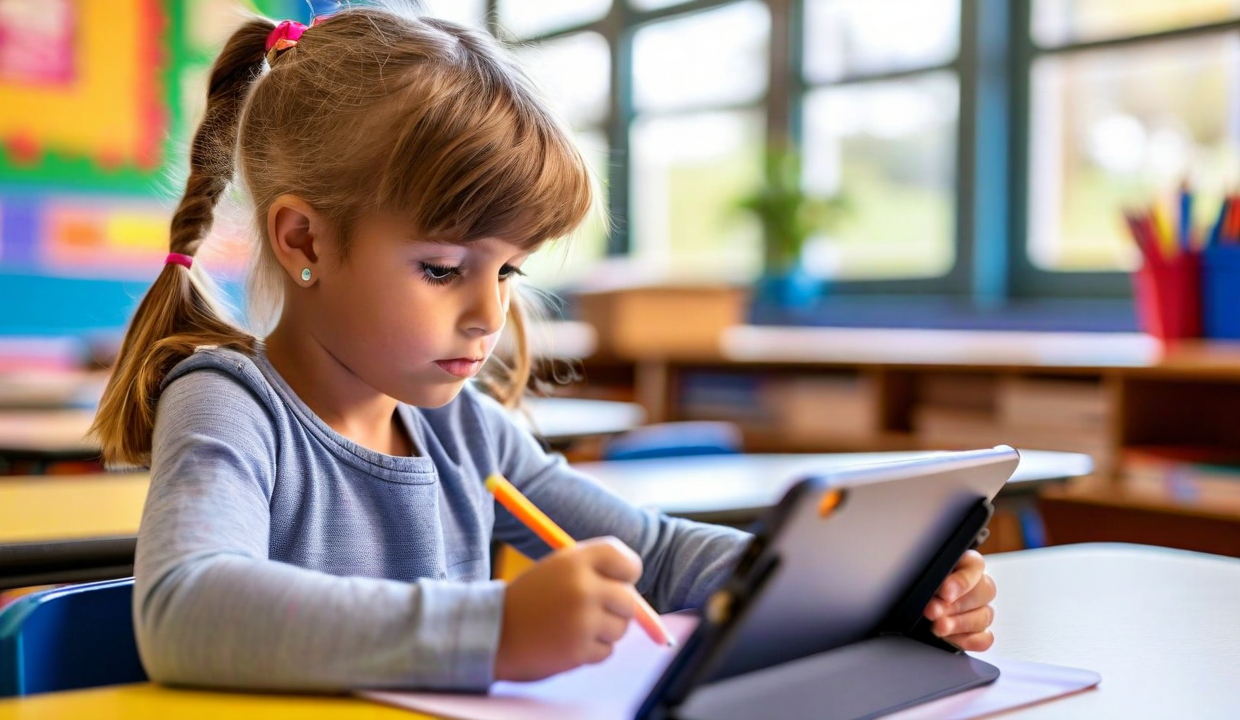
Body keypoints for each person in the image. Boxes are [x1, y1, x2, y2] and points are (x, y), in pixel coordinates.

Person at [91, 5, 996, 692]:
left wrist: (870, 589)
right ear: (305, 243)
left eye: (510, 271)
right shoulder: (230, 405)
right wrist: (494, 629)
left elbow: (660, 556)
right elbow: (186, 611)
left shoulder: (464, 432)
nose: (488, 313)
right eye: (443, 269)